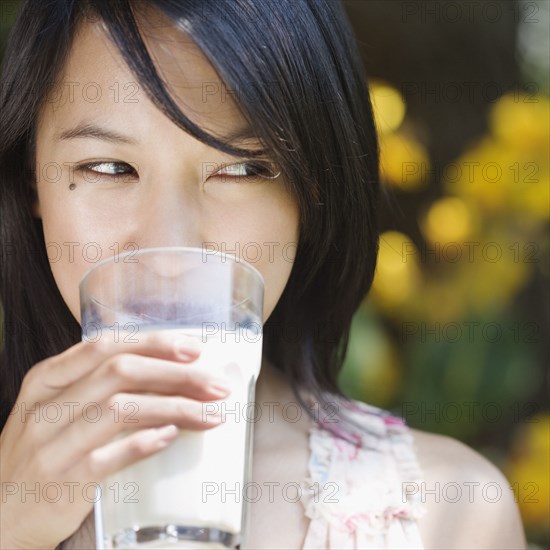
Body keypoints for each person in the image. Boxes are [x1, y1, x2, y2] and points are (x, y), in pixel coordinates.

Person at [0, 1, 526, 549]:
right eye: (108, 167)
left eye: (241, 168)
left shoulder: (447, 510)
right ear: (32, 178)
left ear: (311, 188)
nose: (171, 247)